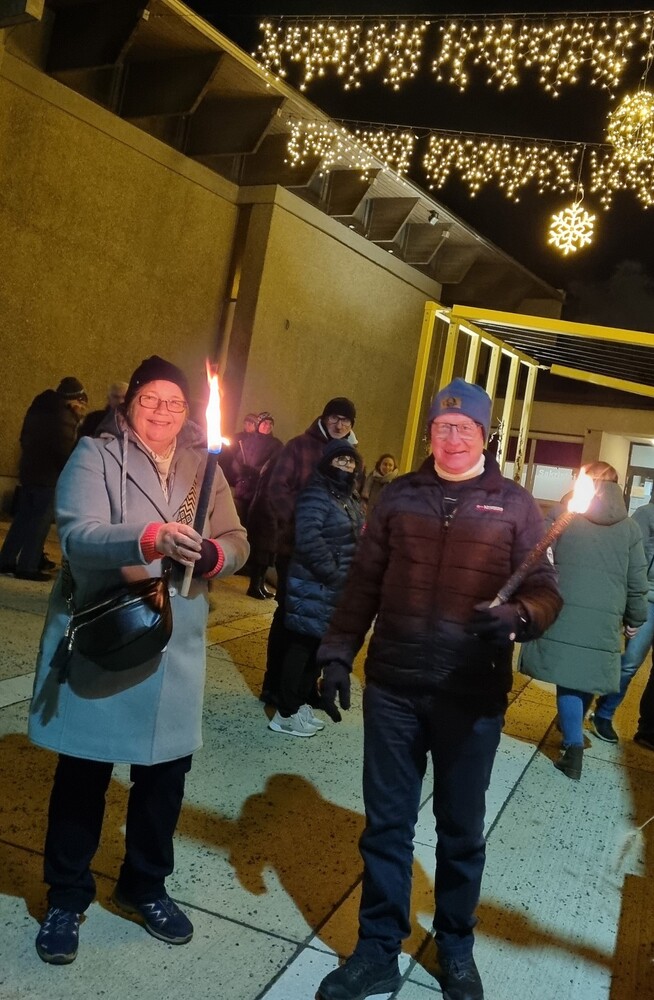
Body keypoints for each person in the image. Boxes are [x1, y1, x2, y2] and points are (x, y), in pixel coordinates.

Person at [314, 378, 562, 1000]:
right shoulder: (400, 497)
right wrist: (337, 652)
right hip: (394, 688)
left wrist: (520, 617)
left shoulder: (514, 504)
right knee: (387, 827)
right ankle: (377, 951)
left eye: (464, 428)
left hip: (470, 694)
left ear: (484, 435)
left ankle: (455, 947)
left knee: (460, 831)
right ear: (429, 432)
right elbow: (364, 582)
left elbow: (546, 591)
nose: (452, 438)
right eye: (442, 427)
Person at [27, 355, 249, 965]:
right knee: (84, 775)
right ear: (128, 404)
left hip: (174, 644)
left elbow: (237, 539)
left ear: (188, 411)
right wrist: (150, 537)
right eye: (150, 399)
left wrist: (213, 557)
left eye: (174, 402)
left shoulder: (205, 467)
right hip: (111, 630)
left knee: (164, 779)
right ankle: (67, 896)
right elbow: (77, 535)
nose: (162, 410)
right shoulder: (96, 455)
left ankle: (144, 884)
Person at [520, 462, 647, 780]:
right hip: (607, 614)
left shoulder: (565, 513)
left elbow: (537, 553)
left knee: (568, 677)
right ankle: (572, 726)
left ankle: (573, 748)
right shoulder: (629, 528)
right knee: (586, 676)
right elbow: (637, 580)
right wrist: (636, 617)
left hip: (565, 607)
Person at [259, 397, 358, 706]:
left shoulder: (350, 454)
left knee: (319, 621)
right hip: (295, 549)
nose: (339, 424)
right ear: (324, 418)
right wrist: (305, 524)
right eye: (334, 417)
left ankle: (304, 686)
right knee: (288, 617)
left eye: (346, 420)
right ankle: (274, 684)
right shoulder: (299, 446)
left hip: (331, 556)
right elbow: (276, 490)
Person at [269, 438, 364, 737]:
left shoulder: (348, 497)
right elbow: (309, 538)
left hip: (333, 587)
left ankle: (298, 704)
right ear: (327, 462)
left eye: (351, 460)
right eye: (340, 459)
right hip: (314, 583)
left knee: (317, 648)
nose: (346, 464)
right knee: (301, 647)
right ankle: (284, 713)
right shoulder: (316, 492)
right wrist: (334, 573)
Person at [0, 377, 88, 581]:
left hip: (29, 472)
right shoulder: (63, 416)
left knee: (22, 519)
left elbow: (24, 439)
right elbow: (64, 450)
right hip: (49, 478)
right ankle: (27, 566)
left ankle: (6, 560)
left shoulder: (39, 409)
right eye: (81, 403)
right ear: (74, 399)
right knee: (39, 524)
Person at [588, 486, 654, 751]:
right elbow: (631, 559)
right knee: (629, 662)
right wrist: (631, 604)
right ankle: (603, 713)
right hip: (648, 599)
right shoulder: (647, 514)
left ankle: (648, 730)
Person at [361, 453, 399, 519]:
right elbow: (364, 499)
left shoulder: (398, 483)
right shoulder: (371, 479)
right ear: (379, 465)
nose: (387, 467)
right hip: (369, 517)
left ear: (394, 467)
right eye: (385, 464)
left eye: (390, 465)